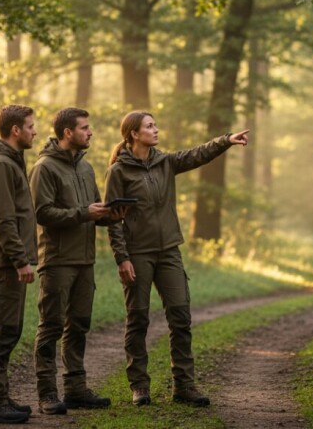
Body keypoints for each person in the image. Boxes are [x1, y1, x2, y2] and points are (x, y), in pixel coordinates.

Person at [105, 111, 249, 407]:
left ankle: (184, 386)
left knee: (181, 318)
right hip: (138, 254)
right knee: (138, 319)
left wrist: (226, 141)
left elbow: (197, 155)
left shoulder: (165, 162)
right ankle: (139, 386)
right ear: (133, 133)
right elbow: (112, 219)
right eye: (149, 126)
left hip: (169, 250)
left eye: (155, 124)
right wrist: (122, 258)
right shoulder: (119, 171)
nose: (156, 129)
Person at [29, 108, 127, 415]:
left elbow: (92, 210)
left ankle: (75, 388)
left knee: (79, 325)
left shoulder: (86, 168)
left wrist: (110, 214)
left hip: (85, 260)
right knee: (51, 326)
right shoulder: (44, 167)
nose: (90, 132)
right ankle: (47, 393)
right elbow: (42, 213)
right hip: (57, 260)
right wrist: (85, 213)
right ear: (67, 132)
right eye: (85, 128)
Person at [0, 104, 38, 424]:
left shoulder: (10, 162)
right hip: (4, 262)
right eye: (30, 126)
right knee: (1, 330)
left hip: (9, 262)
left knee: (10, 330)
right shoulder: (0, 164)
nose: (34, 131)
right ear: (15, 130)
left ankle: (0, 397)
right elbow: (2, 219)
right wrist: (20, 260)